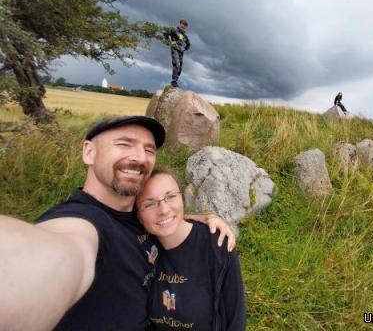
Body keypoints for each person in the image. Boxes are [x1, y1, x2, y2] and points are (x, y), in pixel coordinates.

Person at [0, 116, 235, 331]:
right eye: (124, 144)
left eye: (149, 149)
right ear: (89, 152)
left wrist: (196, 218)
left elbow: (162, 212)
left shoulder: (139, 213)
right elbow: (59, 252)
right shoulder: (81, 223)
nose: (141, 157)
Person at [136, 169, 246, 330]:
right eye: (150, 204)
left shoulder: (216, 245)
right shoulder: (139, 246)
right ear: (138, 215)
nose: (164, 210)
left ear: (182, 198)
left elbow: (235, 318)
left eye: (171, 196)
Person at [163, 19, 190, 88]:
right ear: (180, 23)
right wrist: (170, 42)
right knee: (176, 64)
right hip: (174, 49)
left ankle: (175, 81)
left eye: (185, 25)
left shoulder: (185, 35)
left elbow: (188, 44)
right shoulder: (174, 30)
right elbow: (165, 33)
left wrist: (185, 49)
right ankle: (173, 81)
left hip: (181, 51)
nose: (183, 26)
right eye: (182, 24)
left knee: (180, 67)